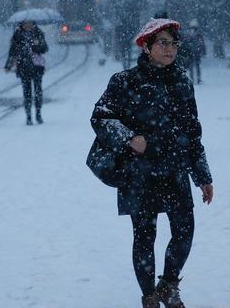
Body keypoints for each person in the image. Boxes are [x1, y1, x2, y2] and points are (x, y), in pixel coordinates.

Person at [91, 18, 213, 308]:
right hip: (139, 173)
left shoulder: (182, 82)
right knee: (144, 237)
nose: (170, 49)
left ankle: (168, 285)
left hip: (175, 170)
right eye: (163, 43)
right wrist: (129, 138)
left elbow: (192, 132)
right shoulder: (124, 82)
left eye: (174, 43)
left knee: (185, 231)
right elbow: (100, 117)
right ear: (146, 47)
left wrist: (202, 175)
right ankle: (149, 296)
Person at [5, 19, 48, 125]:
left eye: (30, 23)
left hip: (37, 67)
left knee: (38, 92)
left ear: (33, 23)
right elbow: (12, 51)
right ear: (22, 24)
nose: (28, 25)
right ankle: (28, 116)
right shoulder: (17, 35)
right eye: (25, 23)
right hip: (23, 67)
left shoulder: (38, 33)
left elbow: (44, 49)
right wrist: (8, 65)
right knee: (27, 93)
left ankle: (38, 114)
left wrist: (37, 45)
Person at [180, 20, 206, 84]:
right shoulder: (198, 34)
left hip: (191, 52)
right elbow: (202, 44)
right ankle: (198, 79)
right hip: (197, 52)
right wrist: (203, 51)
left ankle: (192, 79)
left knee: (191, 66)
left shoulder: (188, 34)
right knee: (197, 66)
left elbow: (185, 43)